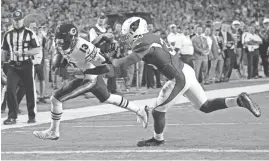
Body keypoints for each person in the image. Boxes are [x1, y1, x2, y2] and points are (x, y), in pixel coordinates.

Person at [111, 17, 261, 147]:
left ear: (136, 31)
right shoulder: (151, 36)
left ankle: (158, 139)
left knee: (158, 110)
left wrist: (113, 62)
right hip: (185, 70)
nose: (126, 38)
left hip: (179, 78)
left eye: (128, 34)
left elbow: (132, 59)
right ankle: (239, 101)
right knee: (205, 106)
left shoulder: (144, 41)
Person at [33, 24, 149, 140]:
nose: (59, 44)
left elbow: (105, 69)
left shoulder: (85, 48)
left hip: (88, 78)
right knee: (108, 98)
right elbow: (64, 55)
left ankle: (54, 132)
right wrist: (61, 62)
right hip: (87, 76)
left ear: (72, 39)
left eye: (63, 41)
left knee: (56, 99)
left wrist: (80, 70)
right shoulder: (61, 45)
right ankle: (139, 110)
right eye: (58, 41)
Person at [1, 10, 41, 125]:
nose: (17, 22)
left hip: (27, 64)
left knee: (30, 90)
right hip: (13, 65)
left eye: (19, 20)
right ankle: (12, 116)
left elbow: (37, 49)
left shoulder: (30, 33)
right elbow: (4, 51)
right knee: (10, 90)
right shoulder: (7, 34)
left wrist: (24, 53)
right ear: (12, 20)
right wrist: (1, 64)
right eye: (15, 20)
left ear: (23, 20)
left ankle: (32, 115)